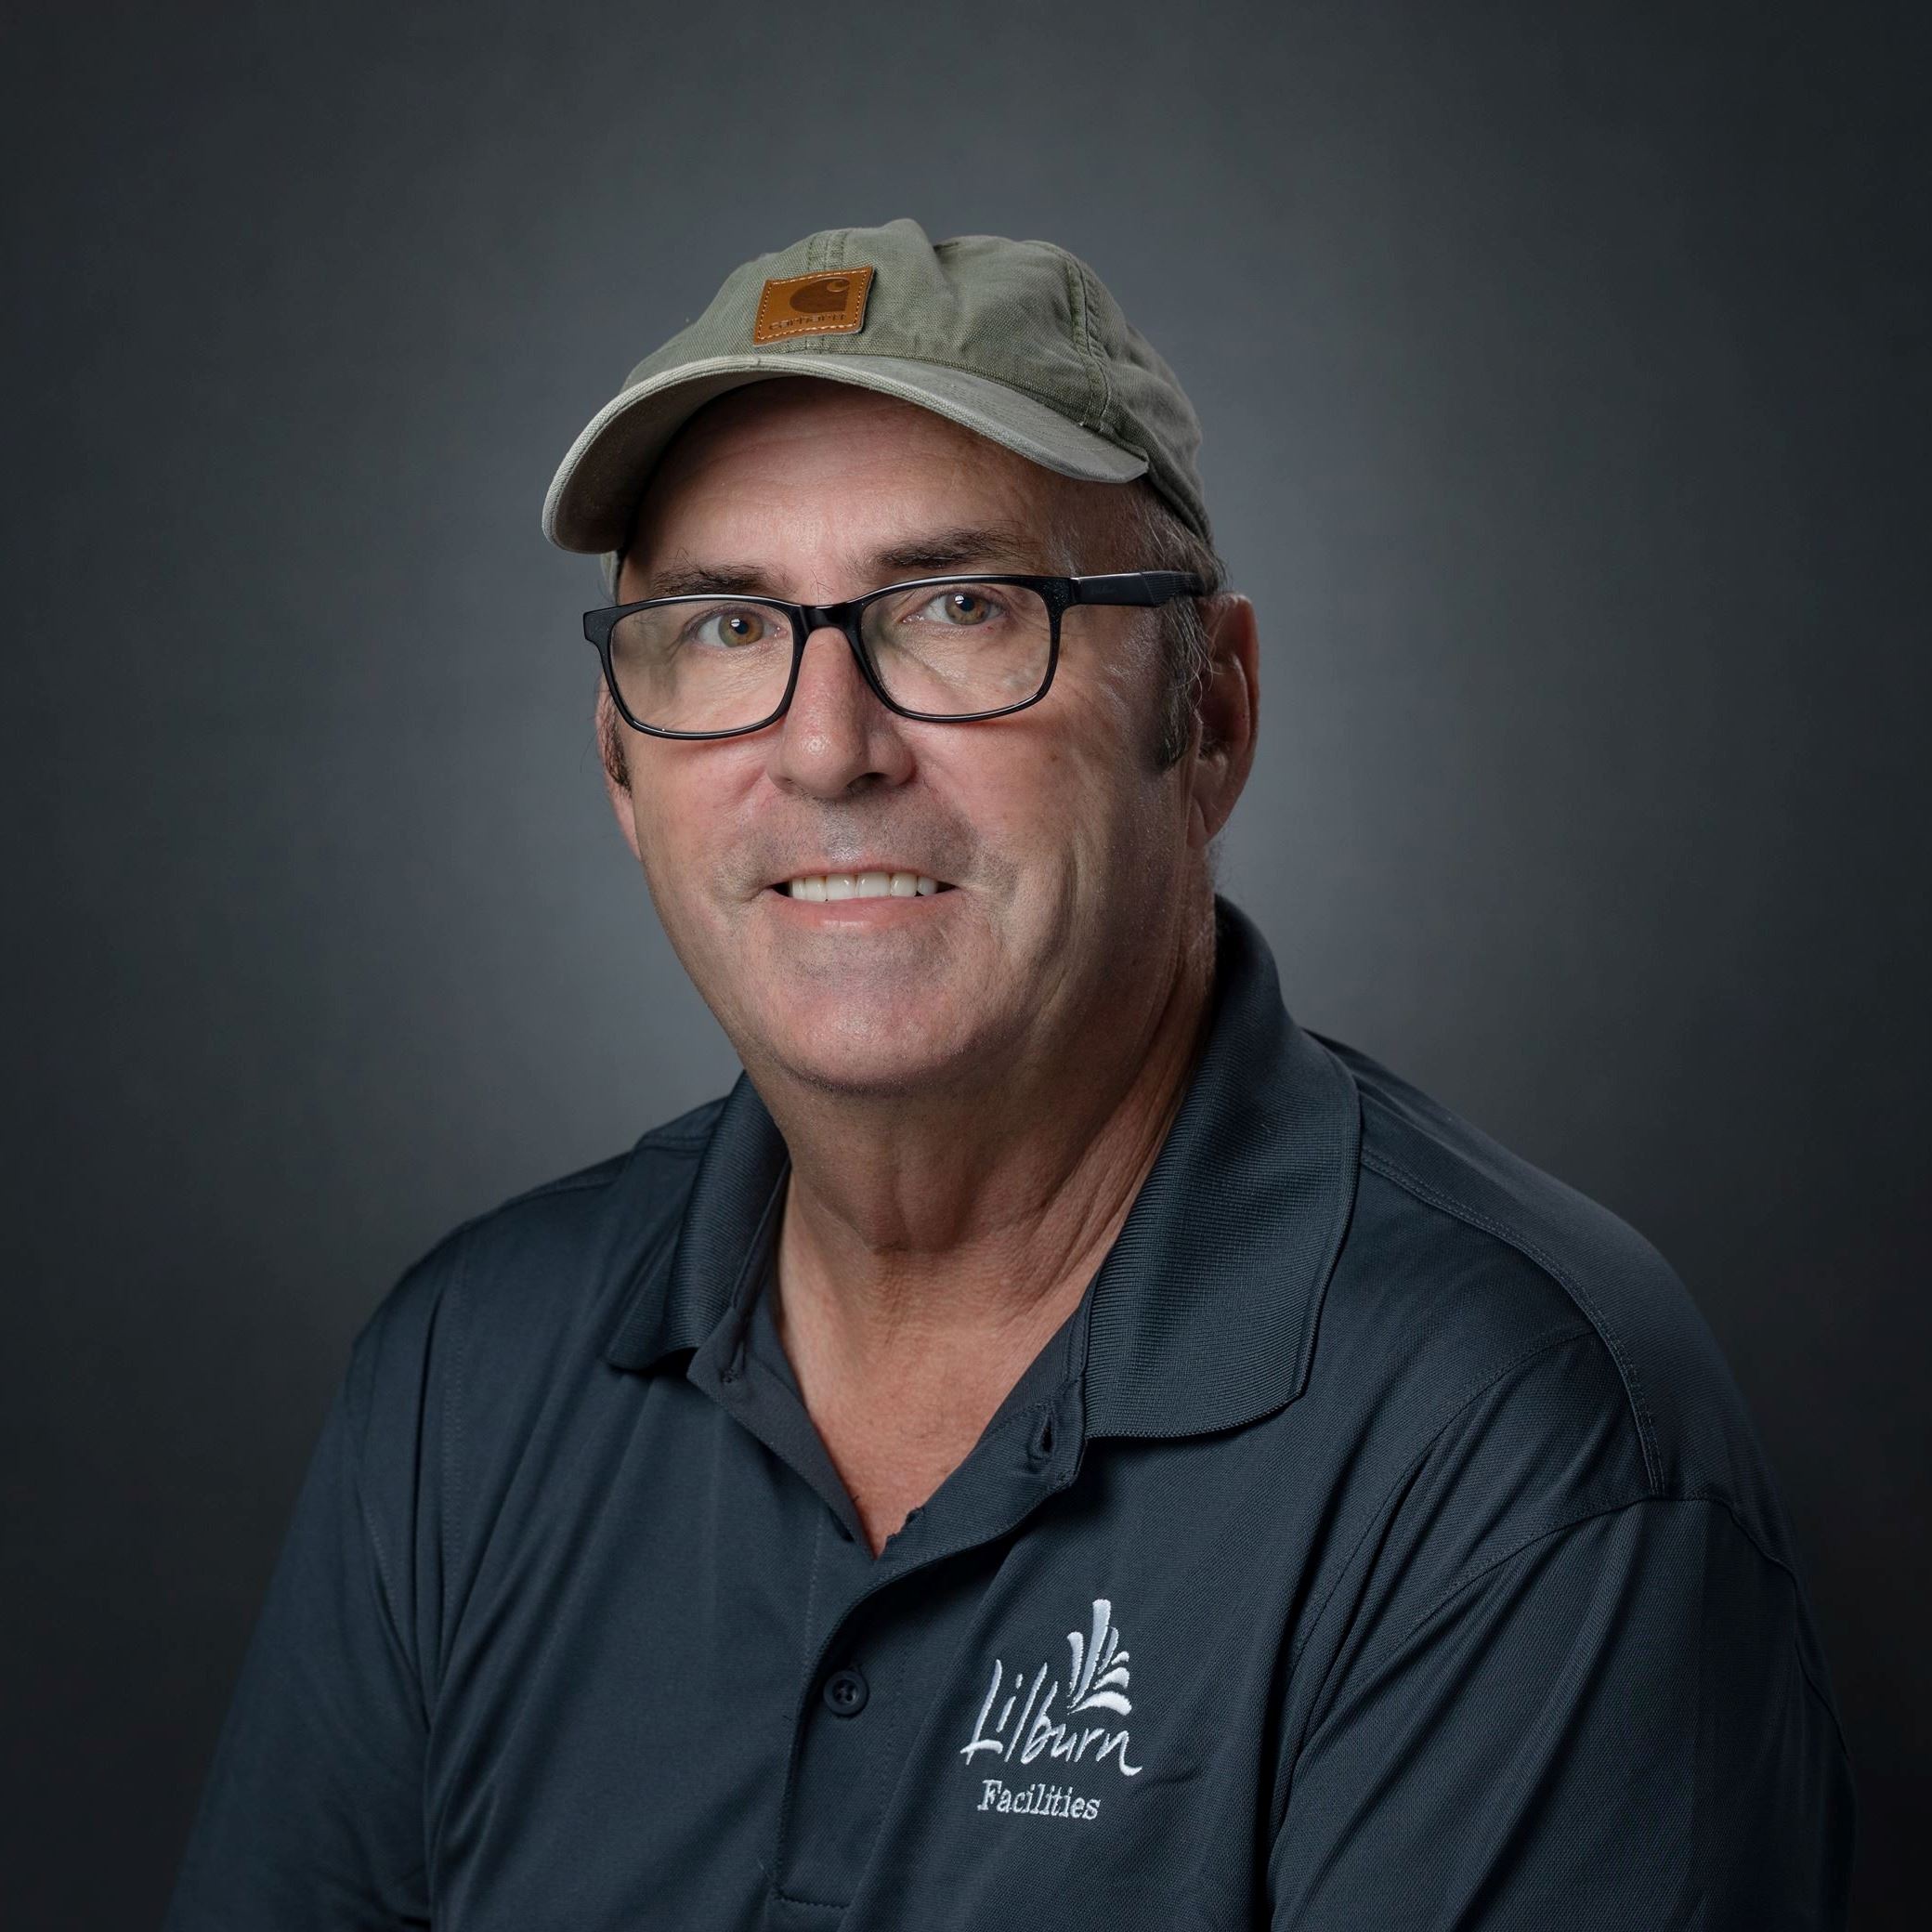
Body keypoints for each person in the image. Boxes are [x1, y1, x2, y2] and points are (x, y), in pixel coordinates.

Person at [163, 217, 1856, 1929]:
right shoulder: (465, 1376)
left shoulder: (1519, 1442)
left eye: (960, 608)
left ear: (1208, 715)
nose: (827, 748)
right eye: (727, 627)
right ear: (621, 764)